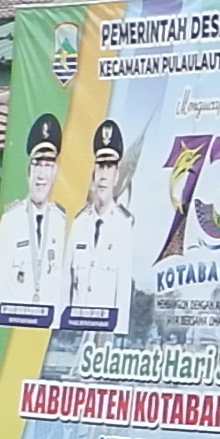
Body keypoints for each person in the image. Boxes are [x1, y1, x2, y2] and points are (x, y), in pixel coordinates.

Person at [57, 117, 142, 333]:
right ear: (94, 174)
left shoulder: (124, 226)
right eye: (100, 167)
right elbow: (66, 282)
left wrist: (117, 334)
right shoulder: (79, 224)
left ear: (116, 176)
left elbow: (123, 290)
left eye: (109, 167)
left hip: (103, 334)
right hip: (74, 331)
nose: (104, 175)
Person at [0, 112, 70, 328]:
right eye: (37, 164)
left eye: (48, 165)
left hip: (48, 329)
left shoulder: (62, 223)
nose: (41, 175)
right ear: (28, 171)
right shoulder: (11, 220)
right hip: (14, 325)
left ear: (56, 172)